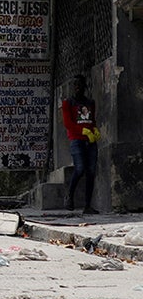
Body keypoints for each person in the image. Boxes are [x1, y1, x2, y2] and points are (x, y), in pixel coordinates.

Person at [61, 75, 100, 214]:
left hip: (90, 141)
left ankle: (87, 205)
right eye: (75, 85)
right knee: (80, 168)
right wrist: (83, 131)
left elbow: (92, 120)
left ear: (84, 86)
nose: (77, 87)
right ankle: (69, 196)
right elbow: (68, 124)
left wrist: (94, 130)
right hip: (76, 140)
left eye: (80, 85)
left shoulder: (90, 102)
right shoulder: (68, 103)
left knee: (91, 172)